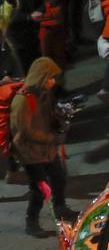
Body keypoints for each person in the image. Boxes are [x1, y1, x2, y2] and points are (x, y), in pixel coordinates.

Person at [9, 57, 77, 236]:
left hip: (46, 150)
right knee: (39, 189)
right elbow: (24, 132)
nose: (53, 82)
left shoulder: (44, 94)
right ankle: (31, 222)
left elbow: (48, 117)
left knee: (59, 177)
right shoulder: (22, 101)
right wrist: (51, 138)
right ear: (41, 77)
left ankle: (61, 209)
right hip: (30, 154)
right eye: (50, 78)